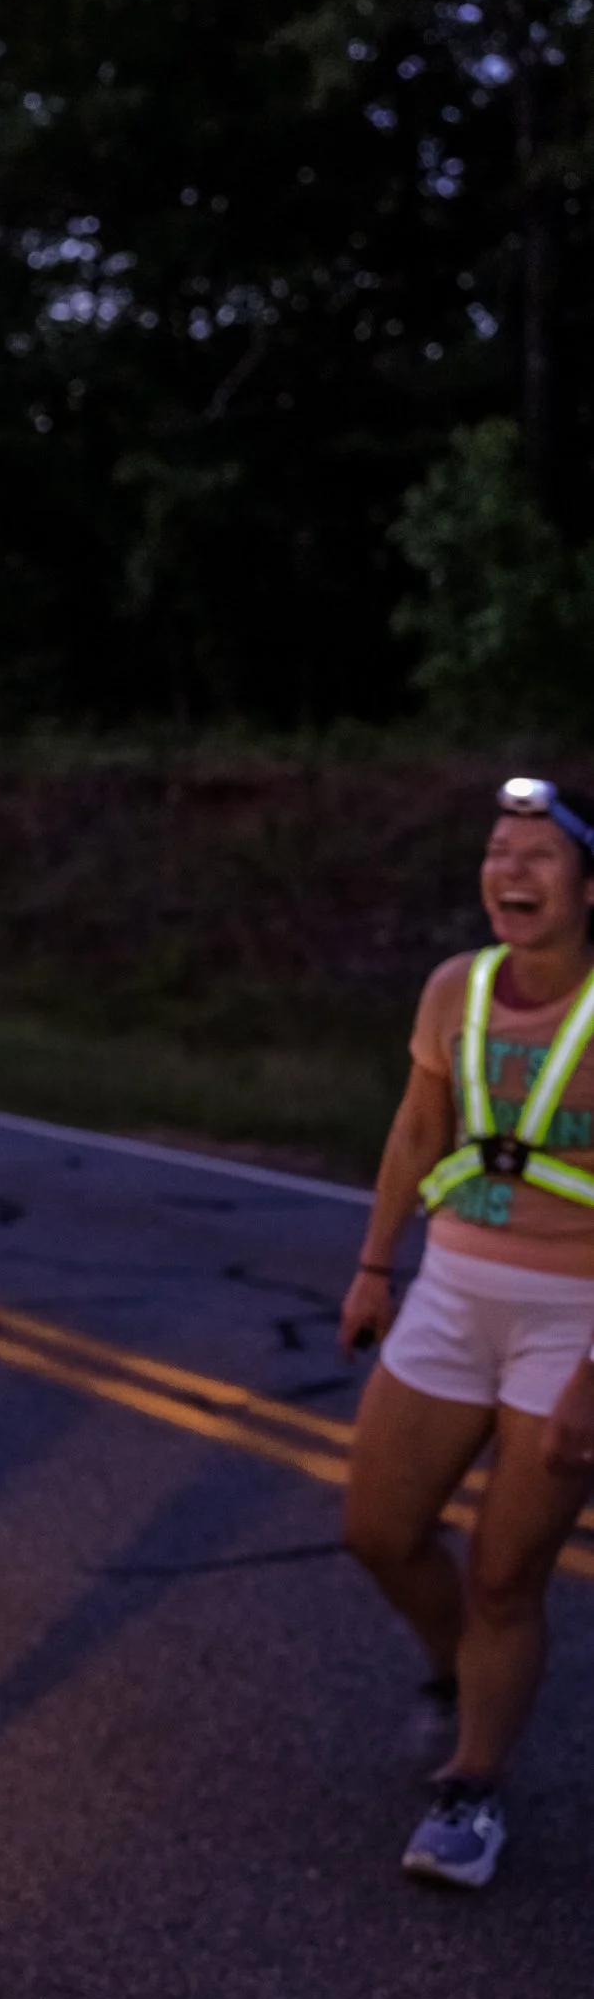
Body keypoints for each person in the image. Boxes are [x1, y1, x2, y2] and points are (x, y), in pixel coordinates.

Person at [341, 776, 594, 1890]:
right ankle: (465, 1669)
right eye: (496, 851)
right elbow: (415, 1129)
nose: (508, 872)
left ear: (586, 886)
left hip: (573, 1317)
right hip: (450, 1290)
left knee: (505, 1574)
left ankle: (471, 1788)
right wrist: (372, 1266)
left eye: (536, 856)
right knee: (377, 1530)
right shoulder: (457, 986)